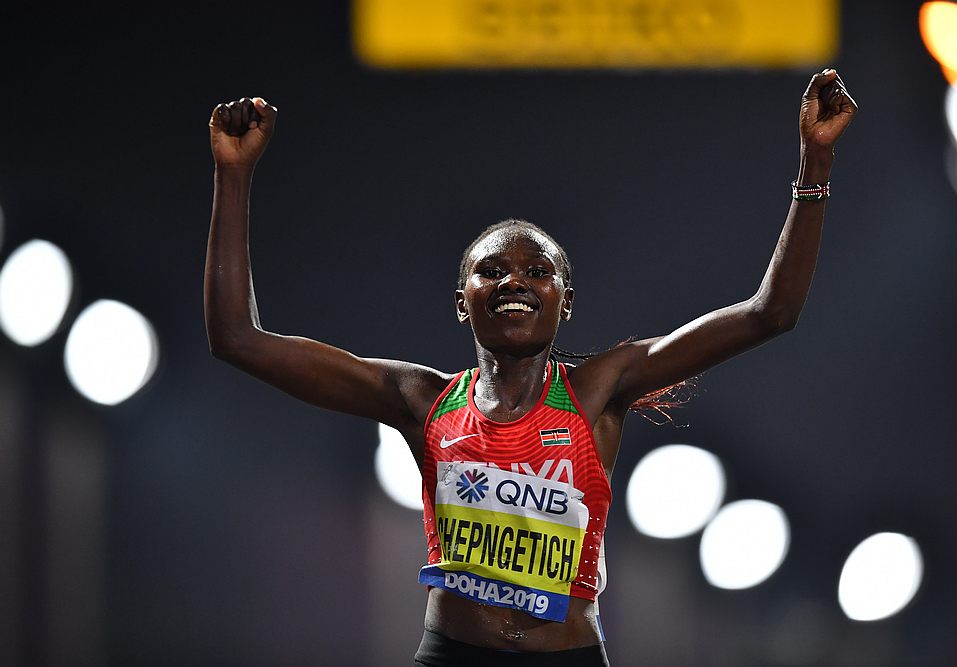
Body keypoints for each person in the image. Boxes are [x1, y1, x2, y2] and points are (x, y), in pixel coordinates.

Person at [204, 69, 857, 666]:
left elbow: (770, 313)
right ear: (462, 302)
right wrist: (233, 175)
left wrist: (815, 164)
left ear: (564, 302)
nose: (514, 280)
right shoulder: (420, 399)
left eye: (537, 271)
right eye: (491, 270)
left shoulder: (601, 388)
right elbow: (239, 339)